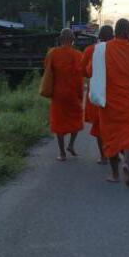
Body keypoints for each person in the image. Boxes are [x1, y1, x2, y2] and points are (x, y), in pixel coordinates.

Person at [88, 19, 129, 186]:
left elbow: (90, 71)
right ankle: (127, 164)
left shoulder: (102, 50)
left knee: (111, 137)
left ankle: (115, 175)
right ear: (128, 33)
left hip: (109, 102)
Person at [46, 28, 84, 161]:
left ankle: (62, 153)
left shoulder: (52, 53)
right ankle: (71, 145)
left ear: (60, 39)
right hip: (73, 93)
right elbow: (81, 78)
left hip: (58, 94)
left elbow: (48, 72)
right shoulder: (79, 55)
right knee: (76, 119)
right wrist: (81, 94)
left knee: (59, 122)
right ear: (73, 40)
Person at [81, 25, 114, 165]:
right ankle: (114, 153)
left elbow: (85, 71)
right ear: (113, 36)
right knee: (113, 126)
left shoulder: (91, 50)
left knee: (100, 125)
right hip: (114, 93)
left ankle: (104, 156)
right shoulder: (117, 50)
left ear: (99, 36)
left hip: (97, 92)